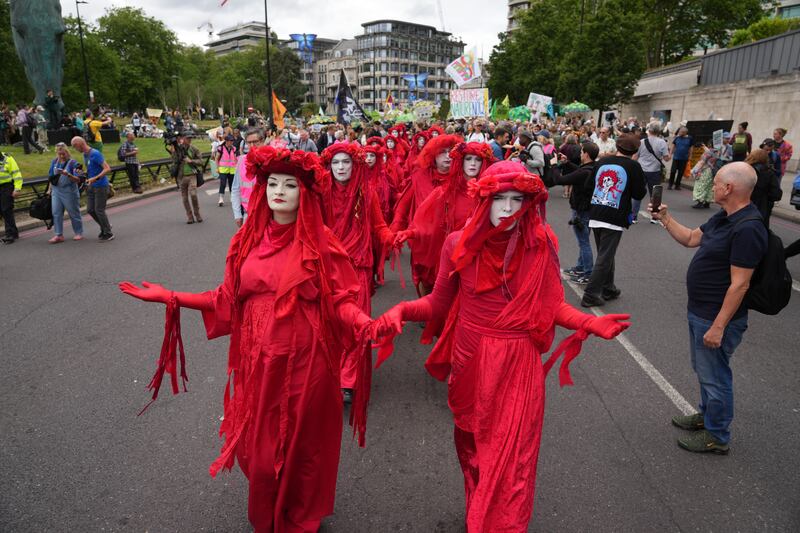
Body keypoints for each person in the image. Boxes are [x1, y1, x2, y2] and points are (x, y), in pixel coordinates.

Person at [119, 146, 374, 532]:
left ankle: (300, 515)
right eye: (273, 183)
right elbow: (224, 299)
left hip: (307, 362)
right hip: (259, 361)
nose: (280, 191)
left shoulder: (321, 243)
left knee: (302, 445)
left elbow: (341, 301)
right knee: (261, 452)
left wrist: (366, 324)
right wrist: (171, 296)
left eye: (290, 184)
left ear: (305, 193)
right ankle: (270, 510)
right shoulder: (246, 241)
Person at [372, 161, 630, 531]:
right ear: (484, 201)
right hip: (470, 360)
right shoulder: (456, 243)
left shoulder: (541, 242)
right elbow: (438, 304)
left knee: (512, 458)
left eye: (517, 200)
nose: (508, 209)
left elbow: (552, 304)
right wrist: (401, 309)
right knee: (473, 446)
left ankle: (500, 523)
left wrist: (590, 322)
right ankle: (481, 506)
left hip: (517, 361)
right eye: (499, 199)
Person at [651, 162, 767, 454]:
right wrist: (665, 218)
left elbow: (740, 284)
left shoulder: (748, 228)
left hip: (717, 318)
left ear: (729, 188)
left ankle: (717, 434)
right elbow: (691, 238)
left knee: (715, 375)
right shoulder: (724, 217)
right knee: (705, 370)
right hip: (701, 311)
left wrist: (718, 326)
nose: (710, 186)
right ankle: (707, 416)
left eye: (715, 182)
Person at [320, 143, 395, 403]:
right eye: (336, 163)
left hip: (359, 268)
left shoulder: (368, 193)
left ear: (355, 165)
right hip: (329, 270)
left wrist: (393, 238)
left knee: (356, 324)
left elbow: (379, 226)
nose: (341, 167)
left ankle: (348, 381)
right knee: (331, 325)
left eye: (346, 162)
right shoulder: (320, 194)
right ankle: (332, 373)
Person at [396, 141, 495, 299]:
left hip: (480, 256)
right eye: (469, 159)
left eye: (477, 160)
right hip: (449, 253)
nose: (473, 164)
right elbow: (428, 221)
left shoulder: (493, 194)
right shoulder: (445, 191)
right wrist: (410, 232)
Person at [581, 133, 647, 307]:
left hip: (596, 211)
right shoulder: (633, 166)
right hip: (614, 215)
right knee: (605, 255)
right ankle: (590, 294)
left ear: (617, 147)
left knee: (605, 253)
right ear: (634, 151)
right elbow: (639, 193)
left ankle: (608, 287)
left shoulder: (602, 162)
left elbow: (588, 186)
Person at [390, 134, 460, 235]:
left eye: (451, 151)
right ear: (433, 155)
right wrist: (395, 229)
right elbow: (404, 204)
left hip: (450, 235)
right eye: (442, 152)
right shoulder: (420, 176)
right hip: (423, 235)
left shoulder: (460, 177)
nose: (448, 156)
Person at [555, 142, 600, 284]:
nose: (580, 154)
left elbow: (561, 180)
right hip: (588, 210)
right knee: (583, 241)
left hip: (581, 211)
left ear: (586, 154)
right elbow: (578, 172)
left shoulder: (584, 171)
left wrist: (554, 166)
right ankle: (581, 267)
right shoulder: (593, 168)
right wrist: (567, 163)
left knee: (584, 243)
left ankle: (588, 273)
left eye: (581, 152)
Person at [71, 136, 113, 241]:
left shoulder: (95, 153)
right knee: (90, 209)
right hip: (90, 185)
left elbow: (107, 168)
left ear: (80, 144)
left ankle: (108, 233)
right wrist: (83, 173)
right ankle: (105, 226)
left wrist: (96, 178)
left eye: (75, 147)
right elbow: (92, 170)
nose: (75, 149)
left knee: (99, 210)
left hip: (101, 186)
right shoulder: (85, 155)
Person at [633, 122, 670, 223]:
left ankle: (633, 217)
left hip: (641, 170)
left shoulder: (641, 142)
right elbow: (667, 158)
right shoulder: (662, 143)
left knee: (637, 194)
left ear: (649, 130)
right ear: (659, 131)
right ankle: (654, 217)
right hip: (654, 171)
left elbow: (635, 157)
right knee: (654, 195)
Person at [46, 143, 83, 243]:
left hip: (69, 191)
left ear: (67, 152)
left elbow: (78, 179)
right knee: (56, 213)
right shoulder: (54, 162)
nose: (62, 156)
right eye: (59, 154)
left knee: (73, 213)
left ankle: (78, 232)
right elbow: (51, 177)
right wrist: (49, 190)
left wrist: (68, 174)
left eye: (63, 153)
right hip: (56, 191)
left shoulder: (73, 163)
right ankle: (59, 235)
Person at [231, 128, 265, 227]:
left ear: (262, 141)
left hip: (268, 215)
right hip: (247, 214)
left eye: (255, 142)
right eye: (248, 143)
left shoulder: (271, 161)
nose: (252, 146)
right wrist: (237, 214)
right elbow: (235, 189)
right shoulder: (241, 161)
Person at [169, 132, 203, 224]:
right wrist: (173, 151)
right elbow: (174, 161)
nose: (189, 140)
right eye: (187, 138)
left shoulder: (194, 149)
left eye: (190, 138)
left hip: (192, 175)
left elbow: (201, 161)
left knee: (193, 195)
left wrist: (191, 160)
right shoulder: (178, 149)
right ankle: (190, 216)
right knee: (184, 198)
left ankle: (197, 214)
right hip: (181, 177)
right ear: (183, 138)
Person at [745, 148, 776, 226]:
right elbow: (776, 194)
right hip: (761, 209)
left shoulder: (743, 169)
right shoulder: (769, 173)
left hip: (742, 207)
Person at [0, 151, 23, 244]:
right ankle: (13, 232)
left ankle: (10, 234)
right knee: (3, 211)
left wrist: (17, 189)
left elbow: (16, 174)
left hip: (6, 187)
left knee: (6, 209)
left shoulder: (8, 159)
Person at [690, 144, 719, 209]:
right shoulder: (716, 152)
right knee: (709, 186)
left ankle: (700, 202)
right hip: (712, 171)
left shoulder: (707, 153)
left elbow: (702, 162)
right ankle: (707, 202)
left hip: (705, 170)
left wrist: (695, 171)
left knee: (701, 185)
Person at [216, 134, 239, 207]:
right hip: (223, 169)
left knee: (232, 184)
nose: (232, 142)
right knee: (223, 183)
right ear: (226, 141)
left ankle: (232, 197)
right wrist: (217, 168)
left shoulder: (234, 149)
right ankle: (221, 198)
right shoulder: (221, 148)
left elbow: (236, 158)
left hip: (232, 169)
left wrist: (237, 167)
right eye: (230, 141)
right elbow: (216, 158)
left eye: (232, 141)